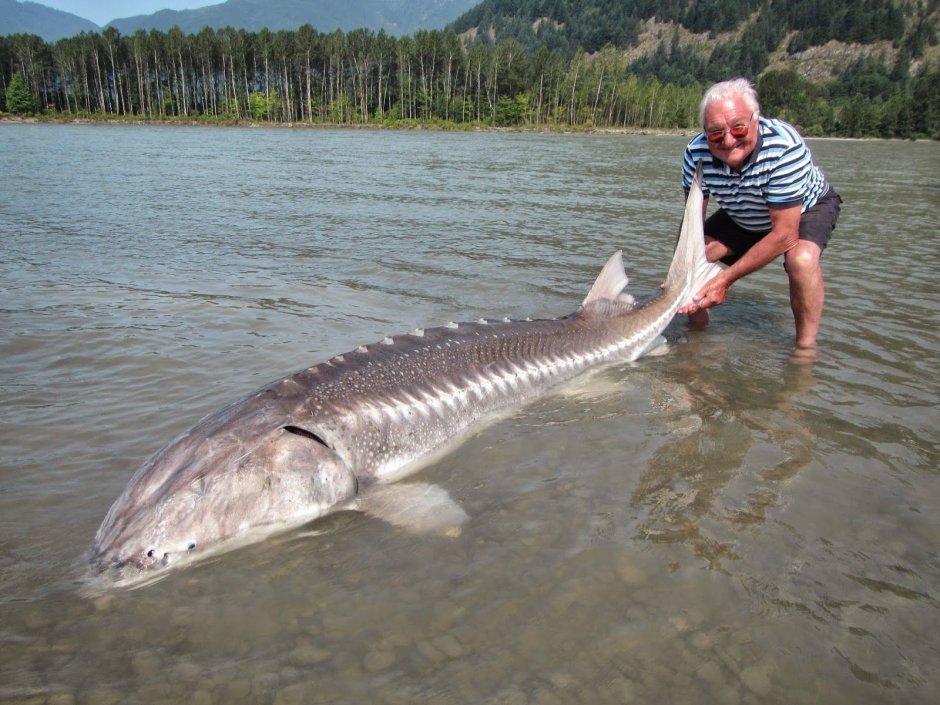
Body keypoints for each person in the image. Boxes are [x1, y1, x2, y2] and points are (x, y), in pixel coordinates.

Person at [679, 78, 842, 349]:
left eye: (738, 129)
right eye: (716, 133)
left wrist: (724, 279)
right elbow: (690, 228)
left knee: (800, 260)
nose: (728, 140)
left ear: (756, 120)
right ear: (705, 132)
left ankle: (805, 348)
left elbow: (784, 236)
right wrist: (680, 272)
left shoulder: (784, 148)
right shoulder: (696, 153)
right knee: (692, 259)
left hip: (803, 209)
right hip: (744, 210)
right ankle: (696, 335)